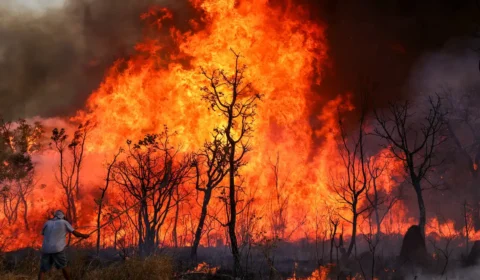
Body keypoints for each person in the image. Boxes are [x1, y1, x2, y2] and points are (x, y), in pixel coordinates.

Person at [38, 210, 90, 280]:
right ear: (63, 216)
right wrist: (84, 236)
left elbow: (44, 233)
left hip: (46, 249)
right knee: (64, 267)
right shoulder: (64, 222)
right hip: (57, 249)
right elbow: (75, 234)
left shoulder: (47, 223)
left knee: (43, 269)